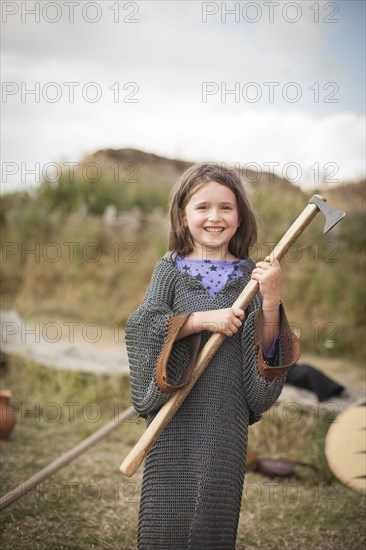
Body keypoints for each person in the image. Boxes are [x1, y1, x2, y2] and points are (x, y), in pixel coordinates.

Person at [125, 163, 300, 550]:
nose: (215, 217)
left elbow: (266, 349)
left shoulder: (251, 275)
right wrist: (201, 320)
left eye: (226, 207)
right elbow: (143, 327)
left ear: (240, 216)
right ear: (183, 216)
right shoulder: (169, 269)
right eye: (202, 207)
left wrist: (270, 298)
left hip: (225, 416)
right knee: (164, 518)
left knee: (211, 520)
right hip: (174, 415)